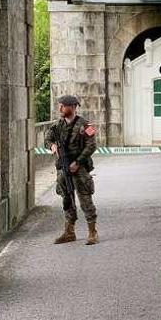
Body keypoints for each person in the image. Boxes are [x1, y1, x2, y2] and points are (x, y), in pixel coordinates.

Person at [45, 95, 99, 245]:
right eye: (60, 106)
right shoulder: (58, 125)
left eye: (63, 106)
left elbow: (92, 145)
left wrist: (78, 162)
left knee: (85, 199)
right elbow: (47, 139)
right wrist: (52, 146)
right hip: (63, 168)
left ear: (73, 107)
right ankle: (69, 232)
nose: (60, 109)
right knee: (67, 199)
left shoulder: (86, 125)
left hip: (79, 168)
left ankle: (92, 232)